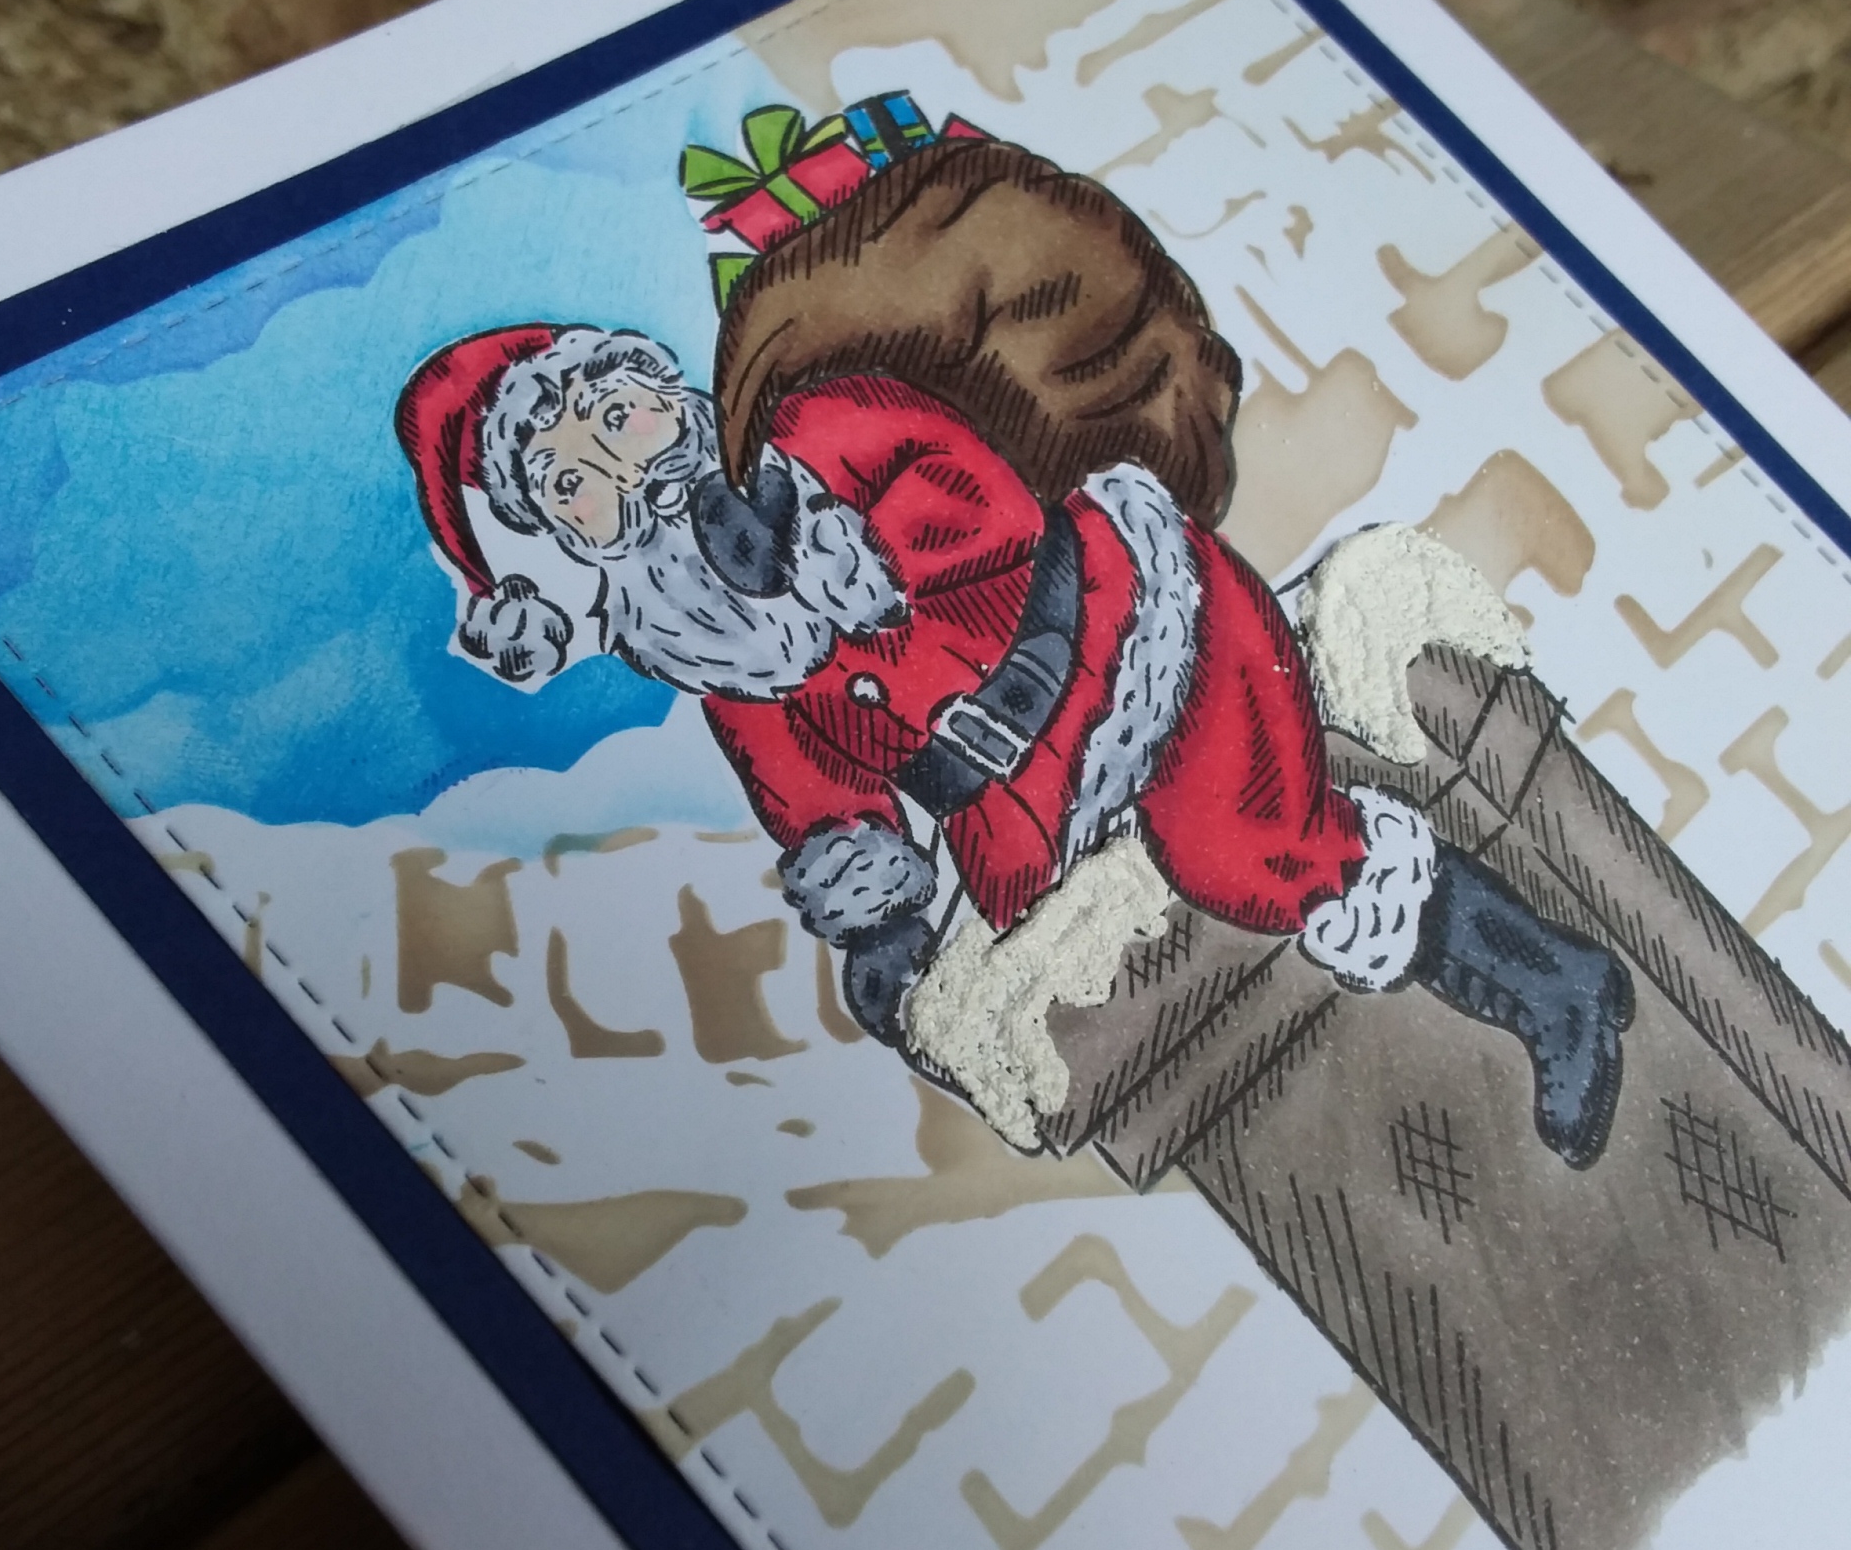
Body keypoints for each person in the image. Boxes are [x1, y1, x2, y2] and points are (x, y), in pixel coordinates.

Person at [397, 314, 1632, 1171]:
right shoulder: (726, 667)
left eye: (615, 418)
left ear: (663, 392)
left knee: (1245, 850)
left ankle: (1552, 982)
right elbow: (814, 795)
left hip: (1130, 636)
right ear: (573, 538)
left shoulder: (820, 428)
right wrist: (880, 921)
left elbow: (981, 505)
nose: (625, 473)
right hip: (1013, 803)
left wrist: (839, 551)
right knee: (1031, 998)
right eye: (571, 485)